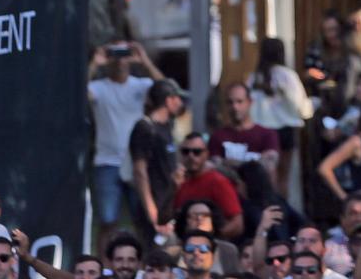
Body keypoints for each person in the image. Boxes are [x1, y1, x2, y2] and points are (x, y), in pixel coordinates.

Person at [91, 42, 163, 239]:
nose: (120, 59)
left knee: (141, 219)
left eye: (124, 54)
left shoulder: (141, 85)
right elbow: (78, 93)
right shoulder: (99, 87)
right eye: (115, 54)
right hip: (107, 162)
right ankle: (104, 267)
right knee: (107, 220)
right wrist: (95, 64)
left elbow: (168, 93)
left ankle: (142, 264)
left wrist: (145, 61)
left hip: (135, 162)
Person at [250, 36, 313, 193]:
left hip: (261, 130)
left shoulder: (255, 77)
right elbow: (299, 104)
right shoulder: (287, 75)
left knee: (266, 175)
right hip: (285, 130)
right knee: (283, 176)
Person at [131, 78, 188, 237]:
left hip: (169, 203)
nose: (180, 103)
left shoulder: (167, 126)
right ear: (169, 100)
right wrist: (152, 211)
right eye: (177, 98)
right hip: (154, 205)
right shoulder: (145, 127)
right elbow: (140, 172)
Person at [171, 138, 246, 238]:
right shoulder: (178, 181)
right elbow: (163, 219)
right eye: (186, 152)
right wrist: (172, 189)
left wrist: (208, 240)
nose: (191, 156)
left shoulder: (217, 181)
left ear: (206, 154)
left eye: (197, 152)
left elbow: (237, 224)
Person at [212, 81, 283, 170]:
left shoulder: (267, 135)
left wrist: (229, 163)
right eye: (230, 102)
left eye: (239, 101)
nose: (235, 107)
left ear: (249, 102)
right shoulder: (218, 136)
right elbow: (215, 167)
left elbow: (269, 165)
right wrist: (254, 163)